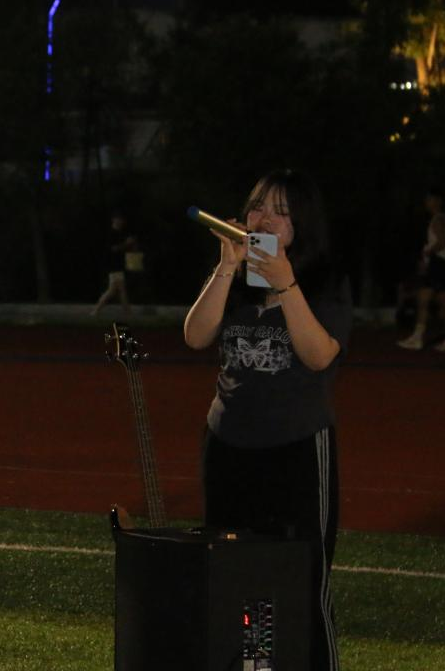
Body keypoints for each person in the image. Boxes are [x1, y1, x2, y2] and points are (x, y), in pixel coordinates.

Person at [183, 169, 350, 671]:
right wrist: (226, 267)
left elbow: (319, 355)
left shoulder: (324, 281)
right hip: (229, 447)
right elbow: (195, 335)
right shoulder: (234, 279)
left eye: (281, 212)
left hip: (295, 449)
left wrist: (286, 284)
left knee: (301, 579)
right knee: (239, 578)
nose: (264, 220)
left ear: (302, 224)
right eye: (258, 207)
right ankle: (257, 667)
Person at [397, 188, 445, 351]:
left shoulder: (437, 219)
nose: (426, 203)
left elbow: (441, 242)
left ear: (437, 201)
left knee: (423, 299)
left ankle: (417, 338)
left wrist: (427, 252)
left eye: (429, 199)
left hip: (438, 263)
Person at [92, 210, 140, 315]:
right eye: (118, 219)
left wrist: (131, 244)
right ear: (113, 220)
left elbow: (125, 248)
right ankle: (96, 311)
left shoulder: (120, 233)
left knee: (118, 290)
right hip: (113, 265)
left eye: (121, 220)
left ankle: (127, 312)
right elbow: (113, 249)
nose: (121, 221)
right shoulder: (111, 234)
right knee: (114, 290)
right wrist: (126, 243)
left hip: (118, 264)